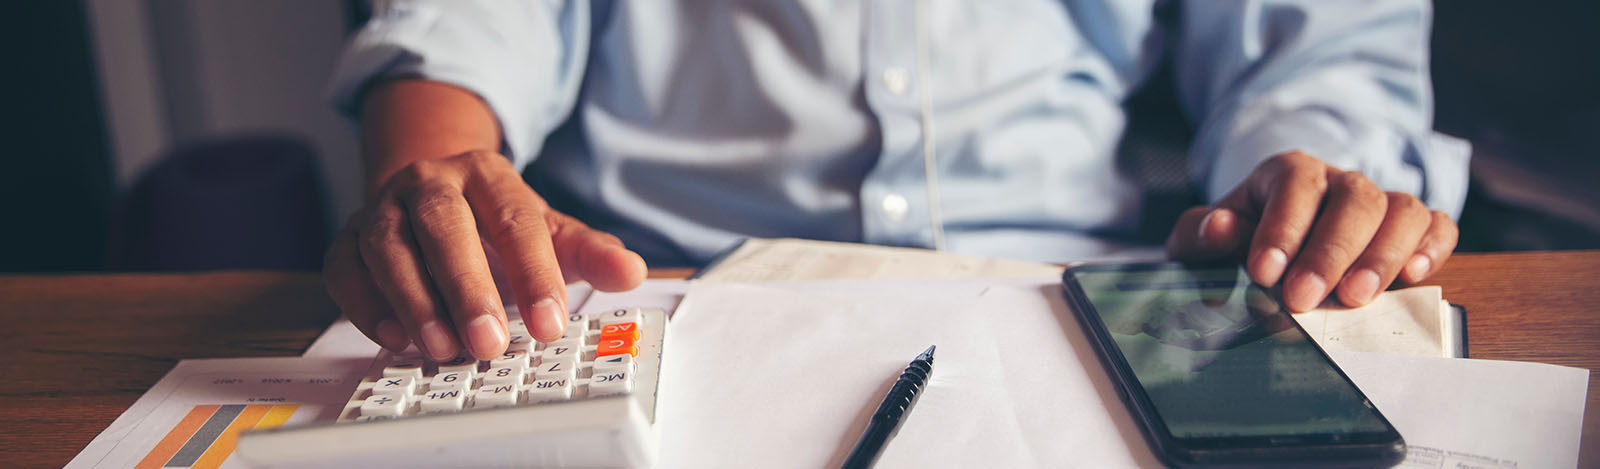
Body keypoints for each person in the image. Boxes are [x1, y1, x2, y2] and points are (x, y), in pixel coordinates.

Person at [322, 0, 1467, 362]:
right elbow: (466, 26)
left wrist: (1314, 178)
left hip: (1091, 297)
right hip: (654, 298)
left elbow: (1314, 46)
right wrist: (437, 181)